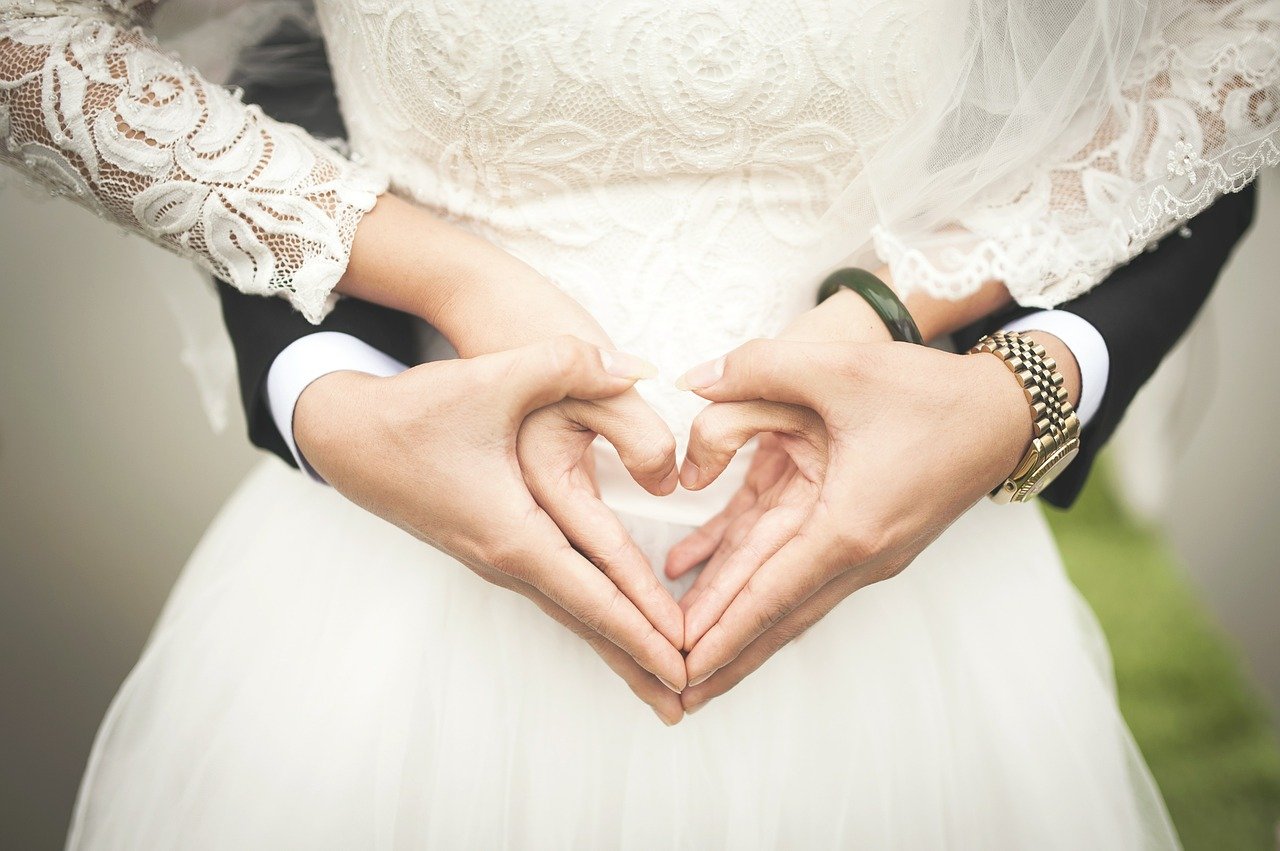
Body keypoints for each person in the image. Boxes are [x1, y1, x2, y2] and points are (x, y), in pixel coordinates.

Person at [1, 1, 1275, 847]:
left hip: (895, 597)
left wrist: (959, 355)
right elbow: (35, 42)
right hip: (398, 597)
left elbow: (1232, 46)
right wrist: (438, 284)